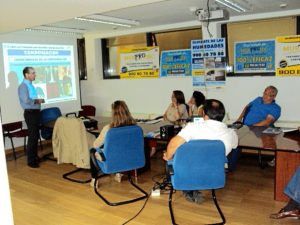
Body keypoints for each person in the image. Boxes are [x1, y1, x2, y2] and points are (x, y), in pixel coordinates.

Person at [163, 99, 238, 204]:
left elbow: (173, 145)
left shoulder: (193, 128)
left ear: (203, 113)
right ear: (222, 115)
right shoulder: (232, 134)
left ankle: (189, 187)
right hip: (214, 174)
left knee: (174, 158)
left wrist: (168, 156)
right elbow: (233, 149)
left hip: (187, 171)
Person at [90, 100, 136, 186]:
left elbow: (96, 145)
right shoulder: (134, 127)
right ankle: (118, 174)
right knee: (119, 148)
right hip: (129, 157)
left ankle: (94, 180)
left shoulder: (108, 129)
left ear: (113, 114)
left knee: (92, 151)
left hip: (112, 159)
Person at [235, 85, 281, 167]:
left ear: (274, 97)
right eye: (264, 93)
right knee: (232, 137)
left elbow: (267, 122)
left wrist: (252, 126)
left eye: (269, 95)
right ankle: (230, 161)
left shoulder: (276, 108)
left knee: (272, 141)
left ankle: (277, 159)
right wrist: (239, 118)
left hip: (260, 128)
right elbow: (247, 107)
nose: (265, 96)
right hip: (245, 126)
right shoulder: (257, 99)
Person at [18, 67, 45, 168]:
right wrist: (38, 101)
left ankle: (35, 157)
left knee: (35, 136)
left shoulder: (30, 85)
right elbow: (26, 100)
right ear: (26, 75)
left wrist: (38, 101)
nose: (35, 75)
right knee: (33, 137)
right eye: (33, 73)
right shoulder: (23, 86)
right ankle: (31, 161)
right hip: (30, 113)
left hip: (35, 113)